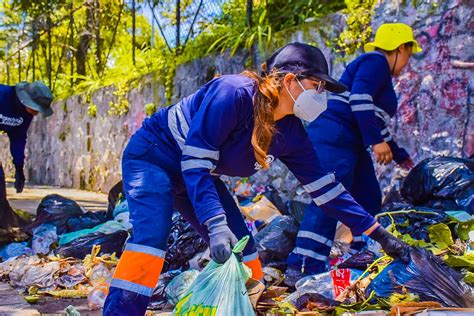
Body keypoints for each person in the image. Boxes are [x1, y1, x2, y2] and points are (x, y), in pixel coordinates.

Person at [103, 42, 409, 315]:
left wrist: (380, 234)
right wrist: (216, 225)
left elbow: (326, 190)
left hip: (195, 173)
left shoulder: (291, 134)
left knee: (245, 250)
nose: (321, 97)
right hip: (154, 157)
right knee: (151, 241)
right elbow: (195, 161)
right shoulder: (232, 94)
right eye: (317, 86)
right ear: (290, 81)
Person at [287, 23, 421, 275]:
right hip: (335, 136)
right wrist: (376, 142)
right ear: (401, 48)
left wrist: (400, 155)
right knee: (327, 199)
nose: (407, 63)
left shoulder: (378, 71)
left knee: (369, 197)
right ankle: (304, 267)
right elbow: (359, 100)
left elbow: (374, 118)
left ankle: (363, 255)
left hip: (352, 142)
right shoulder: (376, 61)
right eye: (409, 55)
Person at [0, 81, 54, 202]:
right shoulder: (2, 96)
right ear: (26, 99)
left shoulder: (26, 114)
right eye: (36, 107)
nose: (37, 113)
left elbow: (18, 139)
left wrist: (19, 168)